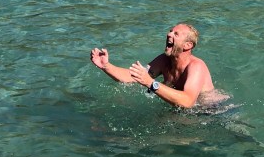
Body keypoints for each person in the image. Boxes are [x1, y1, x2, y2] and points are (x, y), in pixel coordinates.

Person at [90, 23, 222, 109]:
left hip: (213, 112)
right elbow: (133, 76)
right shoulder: (164, 60)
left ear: (187, 45)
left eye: (176, 34)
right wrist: (106, 66)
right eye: (170, 31)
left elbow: (188, 102)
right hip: (187, 112)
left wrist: (151, 83)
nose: (169, 34)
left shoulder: (196, 66)